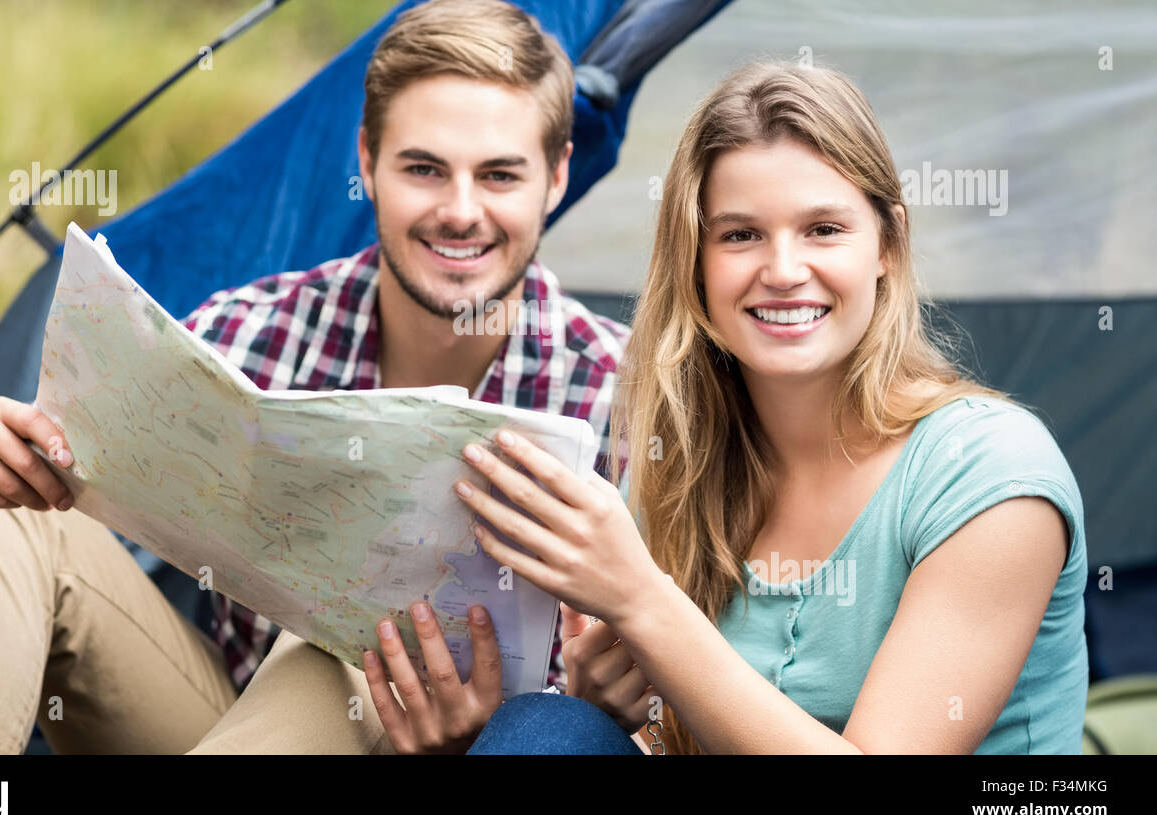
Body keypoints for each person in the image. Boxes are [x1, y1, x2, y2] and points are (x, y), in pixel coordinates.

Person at [0, 0, 631, 754]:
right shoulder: (251, 334)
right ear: (367, 160)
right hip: (232, 725)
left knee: (353, 646)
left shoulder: (625, 399)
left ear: (557, 177)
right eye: (424, 169)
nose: (460, 211)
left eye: (500, 176)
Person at [384, 60, 1088, 754]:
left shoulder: (991, 474)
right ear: (696, 262)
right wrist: (611, 707)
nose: (782, 271)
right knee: (548, 729)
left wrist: (641, 601)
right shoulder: (678, 465)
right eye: (740, 234)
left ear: (889, 246)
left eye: (824, 229)